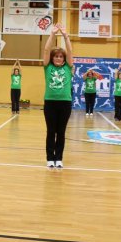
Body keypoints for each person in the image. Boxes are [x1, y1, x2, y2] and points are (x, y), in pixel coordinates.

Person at [42, 23, 73, 169]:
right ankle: (50, 158)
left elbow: (70, 52)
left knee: (61, 132)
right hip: (50, 102)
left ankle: (59, 158)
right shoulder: (48, 67)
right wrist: (52, 34)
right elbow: (47, 49)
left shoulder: (68, 67)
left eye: (61, 56)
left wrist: (66, 36)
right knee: (51, 131)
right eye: (56, 56)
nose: (59, 58)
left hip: (65, 103)